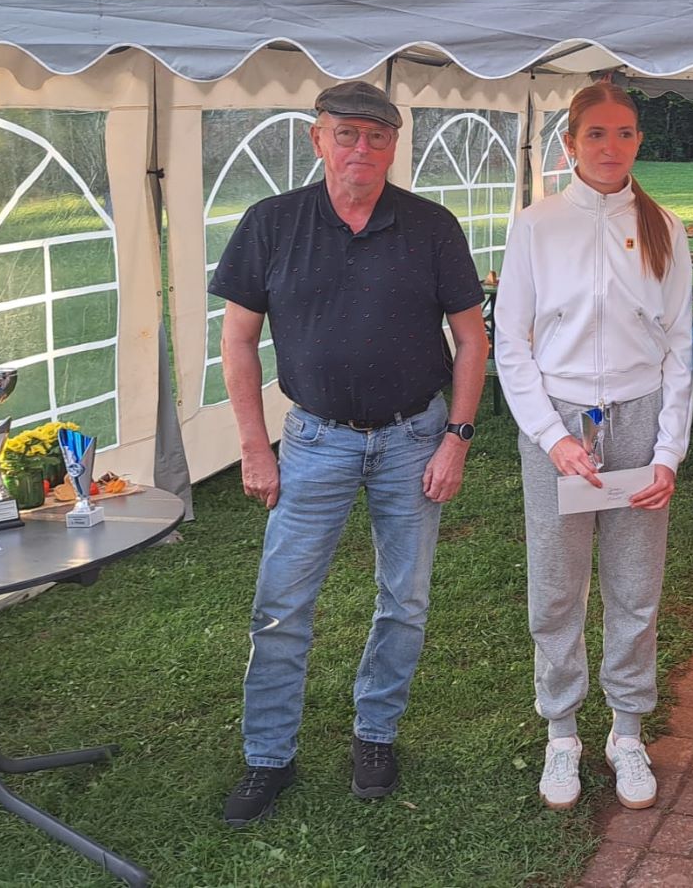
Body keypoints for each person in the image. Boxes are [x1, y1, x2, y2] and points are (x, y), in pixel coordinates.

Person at [208, 81, 489, 826]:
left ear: (393, 146)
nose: (361, 148)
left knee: (406, 599)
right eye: (346, 134)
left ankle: (376, 734)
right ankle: (269, 755)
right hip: (313, 440)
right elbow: (237, 340)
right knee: (281, 605)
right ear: (317, 140)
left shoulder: (431, 226)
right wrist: (253, 445)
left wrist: (457, 439)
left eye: (376, 136)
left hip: (414, 438)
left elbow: (471, 340)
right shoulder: (272, 223)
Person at [493, 82, 693, 811]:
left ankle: (627, 731)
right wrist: (552, 438)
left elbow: (679, 347)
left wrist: (668, 452)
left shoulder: (663, 226)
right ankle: (562, 731)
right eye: (597, 134)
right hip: (561, 424)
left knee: (635, 583)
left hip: (640, 419)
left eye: (625, 133)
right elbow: (511, 342)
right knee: (557, 582)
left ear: (639, 140)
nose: (612, 147)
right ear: (571, 142)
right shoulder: (537, 225)